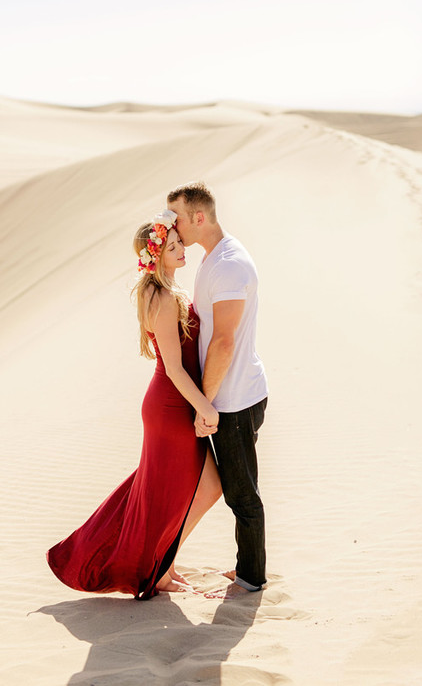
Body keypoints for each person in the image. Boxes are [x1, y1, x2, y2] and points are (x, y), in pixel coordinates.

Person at [46, 210, 222, 600]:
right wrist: (204, 408)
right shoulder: (160, 296)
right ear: (155, 256)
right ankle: (158, 566)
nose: (181, 250)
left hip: (176, 403)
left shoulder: (167, 290)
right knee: (191, 488)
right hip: (171, 406)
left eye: (179, 243)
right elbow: (175, 368)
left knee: (196, 487)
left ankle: (163, 560)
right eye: (173, 246)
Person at [167, 182, 268, 596]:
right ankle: (247, 569)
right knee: (236, 488)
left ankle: (251, 578)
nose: (171, 225)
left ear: (199, 217)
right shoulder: (214, 258)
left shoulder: (228, 265)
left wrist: (205, 403)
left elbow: (223, 342)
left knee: (242, 493)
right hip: (228, 395)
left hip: (235, 399)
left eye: (176, 216)